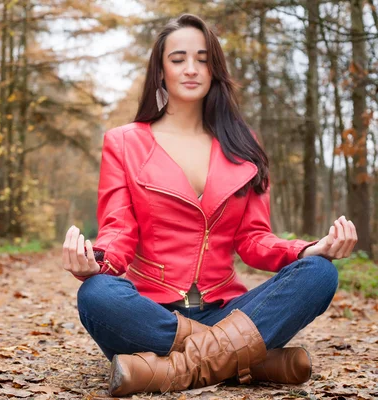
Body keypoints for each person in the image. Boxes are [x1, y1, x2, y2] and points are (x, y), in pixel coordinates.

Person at [60, 14, 358, 397]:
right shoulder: (123, 142)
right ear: (160, 69)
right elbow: (119, 231)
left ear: (215, 69)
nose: (191, 69)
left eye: (203, 59)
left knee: (319, 273)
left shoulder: (244, 144)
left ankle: (167, 372)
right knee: (97, 294)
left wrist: (307, 249)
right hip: (150, 315)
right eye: (178, 58)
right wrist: (95, 260)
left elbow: (253, 239)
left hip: (228, 309)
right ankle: (254, 360)